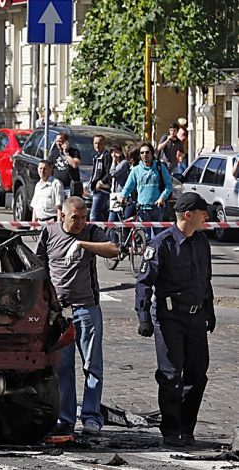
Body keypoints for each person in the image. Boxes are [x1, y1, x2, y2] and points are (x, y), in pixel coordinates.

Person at [135, 192, 215, 447]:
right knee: (170, 376)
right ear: (188, 215)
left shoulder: (201, 242)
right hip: (169, 317)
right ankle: (170, 429)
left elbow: (205, 280)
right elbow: (144, 282)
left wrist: (209, 310)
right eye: (203, 212)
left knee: (197, 375)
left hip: (196, 318)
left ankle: (186, 427)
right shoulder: (161, 244)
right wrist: (144, 317)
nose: (207, 216)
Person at [36, 197, 118, 436]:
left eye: (84, 217)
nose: (80, 222)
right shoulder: (49, 232)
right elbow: (38, 266)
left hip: (86, 308)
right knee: (62, 368)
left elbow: (113, 250)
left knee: (92, 365)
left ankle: (91, 416)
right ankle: (65, 419)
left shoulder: (91, 232)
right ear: (62, 215)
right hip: (60, 312)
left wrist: (82, 244)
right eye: (75, 218)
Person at [119, 142, 173, 239]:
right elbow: (128, 187)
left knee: (158, 238)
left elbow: (169, 185)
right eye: (142, 153)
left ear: (152, 153)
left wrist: (162, 197)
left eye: (147, 152)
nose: (145, 155)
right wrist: (123, 196)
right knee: (146, 237)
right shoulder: (136, 170)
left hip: (157, 208)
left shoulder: (160, 167)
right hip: (142, 209)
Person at [89, 134, 112, 222]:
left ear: (104, 144)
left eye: (99, 143)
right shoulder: (97, 156)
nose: (97, 145)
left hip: (101, 191)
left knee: (93, 217)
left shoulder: (106, 155)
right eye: (95, 143)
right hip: (94, 190)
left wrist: (101, 182)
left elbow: (109, 172)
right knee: (100, 215)